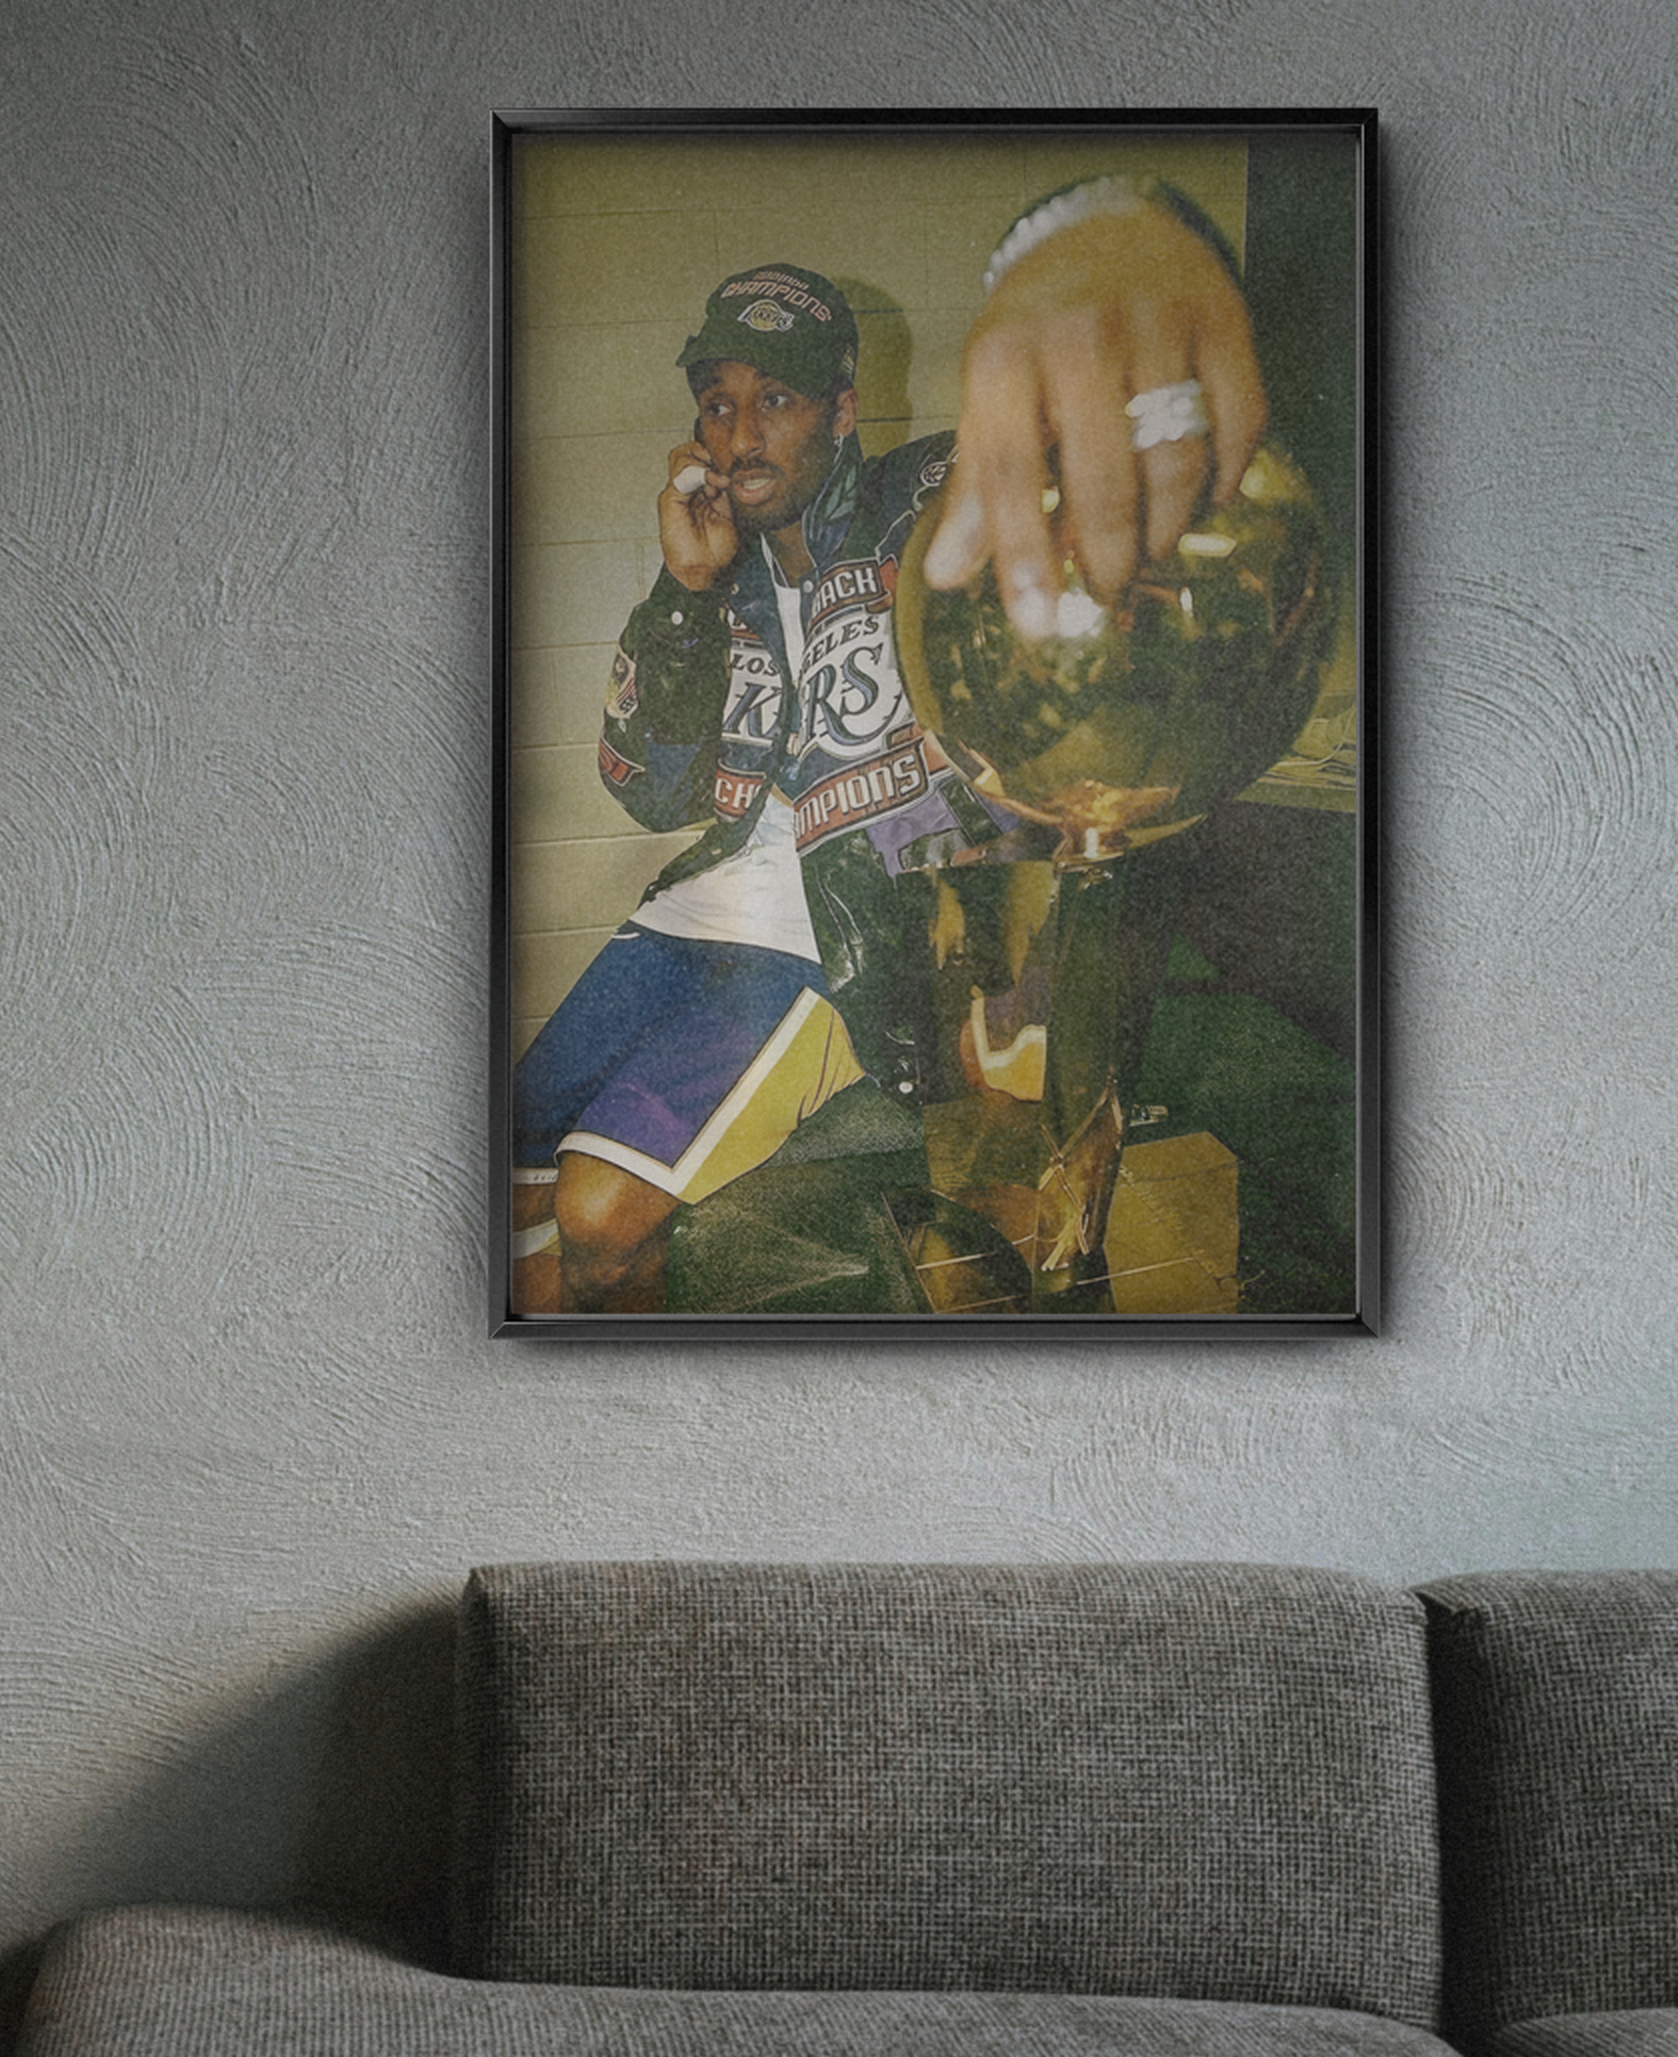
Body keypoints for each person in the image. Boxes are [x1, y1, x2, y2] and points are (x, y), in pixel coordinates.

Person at [511, 176, 1269, 1314]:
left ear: (843, 409)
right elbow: (646, 790)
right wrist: (683, 592)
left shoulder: (923, 502)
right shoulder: (711, 570)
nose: (740, 433)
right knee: (505, 1185)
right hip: (682, 921)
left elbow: (1081, 458)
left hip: (837, 942)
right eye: (718, 404)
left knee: (596, 1213)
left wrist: (1113, 265)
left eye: (778, 401)